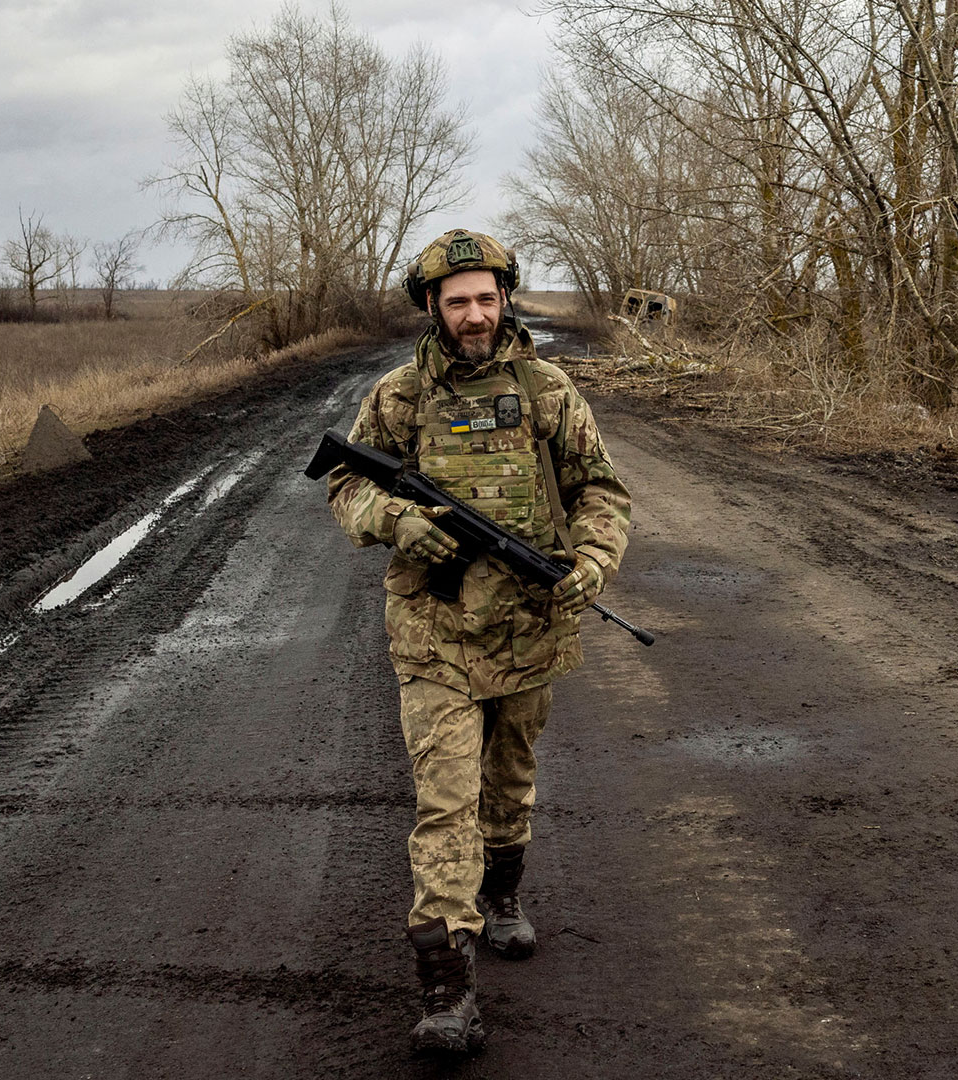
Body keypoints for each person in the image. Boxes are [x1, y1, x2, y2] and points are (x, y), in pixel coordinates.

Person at [324, 229, 632, 1054]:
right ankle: (447, 991)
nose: (473, 314)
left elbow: (601, 489)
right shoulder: (394, 397)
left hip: (529, 630)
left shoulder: (547, 390)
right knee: (445, 804)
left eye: (485, 298)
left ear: (506, 298)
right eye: (456, 300)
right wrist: (395, 519)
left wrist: (594, 562)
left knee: (510, 779)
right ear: (432, 307)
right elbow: (346, 482)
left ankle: (503, 898)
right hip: (433, 634)